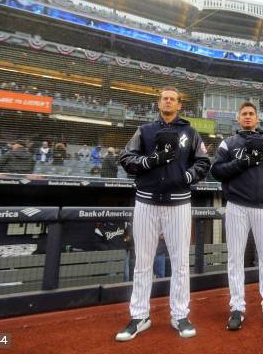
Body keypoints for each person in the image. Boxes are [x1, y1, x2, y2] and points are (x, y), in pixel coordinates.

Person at [115, 87, 210, 341]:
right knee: (142, 263)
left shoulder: (190, 132)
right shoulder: (145, 130)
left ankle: (179, 314)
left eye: (173, 98)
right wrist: (150, 160)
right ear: (159, 103)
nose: (168, 101)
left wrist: (186, 177)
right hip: (146, 202)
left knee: (180, 263)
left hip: (179, 204)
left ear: (179, 105)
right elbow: (125, 157)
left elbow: (203, 162)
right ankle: (139, 316)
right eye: (164, 98)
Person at [210, 101, 263, 331]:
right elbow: (216, 171)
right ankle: (237, 307)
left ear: (257, 118)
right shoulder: (229, 143)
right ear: (238, 118)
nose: (247, 117)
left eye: (251, 114)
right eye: (244, 114)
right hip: (237, 206)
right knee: (235, 259)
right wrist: (241, 163)